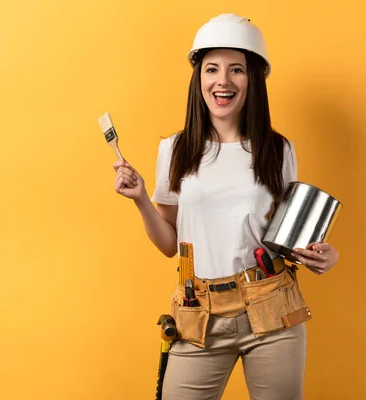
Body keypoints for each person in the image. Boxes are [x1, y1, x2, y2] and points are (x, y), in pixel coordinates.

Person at [112, 13, 339, 400]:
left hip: (271, 306)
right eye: (212, 69)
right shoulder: (176, 149)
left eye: (237, 70)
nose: (223, 81)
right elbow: (170, 244)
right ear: (198, 77)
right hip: (198, 311)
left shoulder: (278, 149)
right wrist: (140, 201)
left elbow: (287, 240)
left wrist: (320, 255)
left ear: (253, 80)